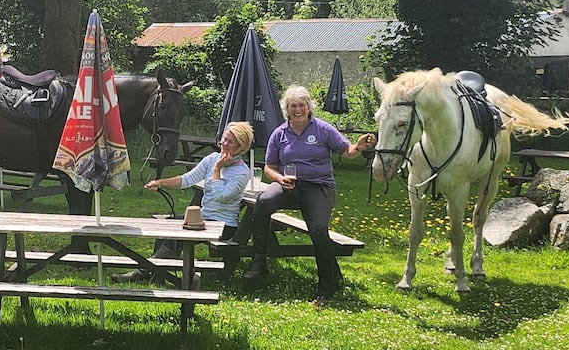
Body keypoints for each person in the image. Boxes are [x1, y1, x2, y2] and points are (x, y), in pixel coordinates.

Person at [238, 85, 373, 302]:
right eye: (293, 106)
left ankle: (326, 287)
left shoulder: (323, 129)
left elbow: (347, 151)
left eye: (301, 105)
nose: (297, 110)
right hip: (289, 185)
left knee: (318, 231)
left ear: (309, 107)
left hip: (319, 187)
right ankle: (259, 260)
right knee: (262, 202)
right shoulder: (279, 133)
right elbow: (269, 167)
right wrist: (280, 178)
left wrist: (358, 147)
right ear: (287, 109)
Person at [111, 121, 254, 284]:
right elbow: (188, 179)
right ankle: (158, 276)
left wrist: (217, 170)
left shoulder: (241, 172)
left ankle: (143, 272)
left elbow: (220, 196)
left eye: (230, 141)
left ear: (240, 147)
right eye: (224, 139)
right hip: (204, 219)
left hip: (224, 225)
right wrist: (160, 182)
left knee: (179, 236)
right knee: (168, 225)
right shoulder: (212, 158)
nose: (224, 143)